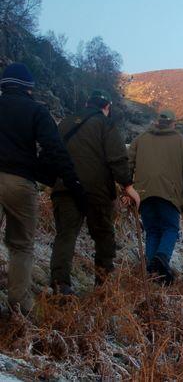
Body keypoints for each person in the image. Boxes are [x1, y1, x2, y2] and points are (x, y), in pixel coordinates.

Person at [0, 63, 85, 313]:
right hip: (20, 183)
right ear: (28, 89)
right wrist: (73, 184)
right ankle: (20, 304)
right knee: (21, 245)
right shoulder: (36, 111)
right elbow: (55, 149)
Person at [50, 90, 140, 294]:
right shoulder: (105, 124)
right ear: (106, 107)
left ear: (86, 104)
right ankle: (103, 286)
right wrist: (128, 186)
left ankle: (60, 285)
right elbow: (117, 157)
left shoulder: (65, 123)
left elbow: (51, 153)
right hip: (96, 190)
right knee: (103, 236)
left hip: (65, 187)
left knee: (65, 235)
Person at [129, 110, 183, 284]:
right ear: (173, 123)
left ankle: (153, 274)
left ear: (156, 122)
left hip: (143, 194)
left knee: (152, 231)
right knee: (170, 229)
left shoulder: (141, 139)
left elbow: (128, 163)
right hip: (169, 194)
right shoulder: (180, 141)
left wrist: (128, 188)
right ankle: (161, 258)